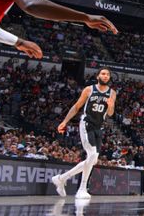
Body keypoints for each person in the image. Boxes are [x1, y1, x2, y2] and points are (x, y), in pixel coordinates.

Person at [51, 68, 117, 199]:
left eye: (108, 74)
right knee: (91, 155)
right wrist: (65, 121)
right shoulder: (89, 89)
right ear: (98, 75)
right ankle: (82, 188)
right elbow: (76, 107)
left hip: (99, 127)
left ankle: (61, 178)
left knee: (93, 159)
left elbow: (110, 114)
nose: (105, 76)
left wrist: (110, 105)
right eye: (103, 74)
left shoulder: (112, 93)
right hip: (86, 123)